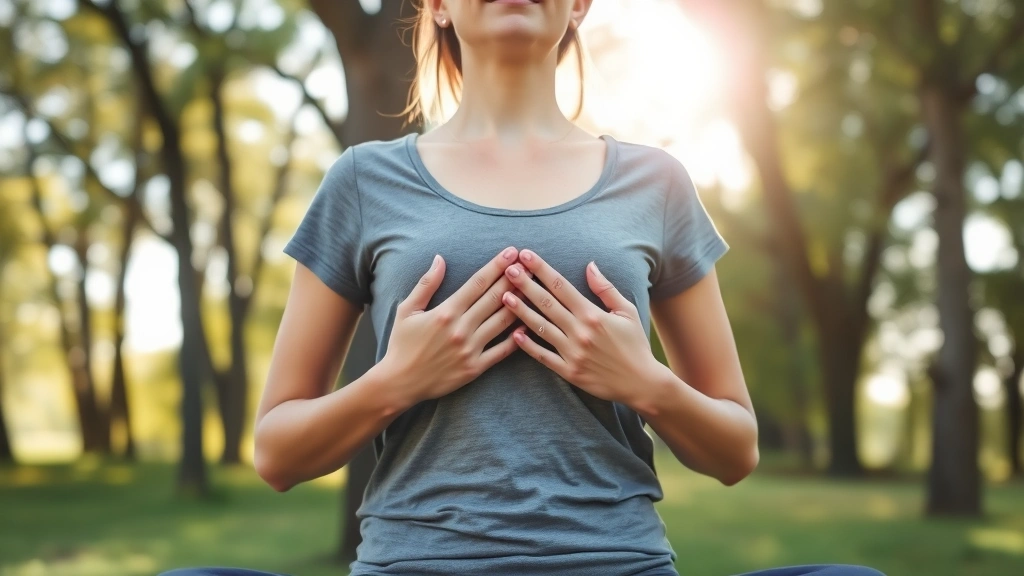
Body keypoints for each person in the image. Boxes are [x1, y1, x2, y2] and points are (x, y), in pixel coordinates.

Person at [161, 1, 887, 575]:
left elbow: (736, 450)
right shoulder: (362, 181)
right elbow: (277, 452)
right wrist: (399, 380)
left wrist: (645, 382)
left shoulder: (655, 182)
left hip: (615, 564)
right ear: (438, 5)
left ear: (580, 5)